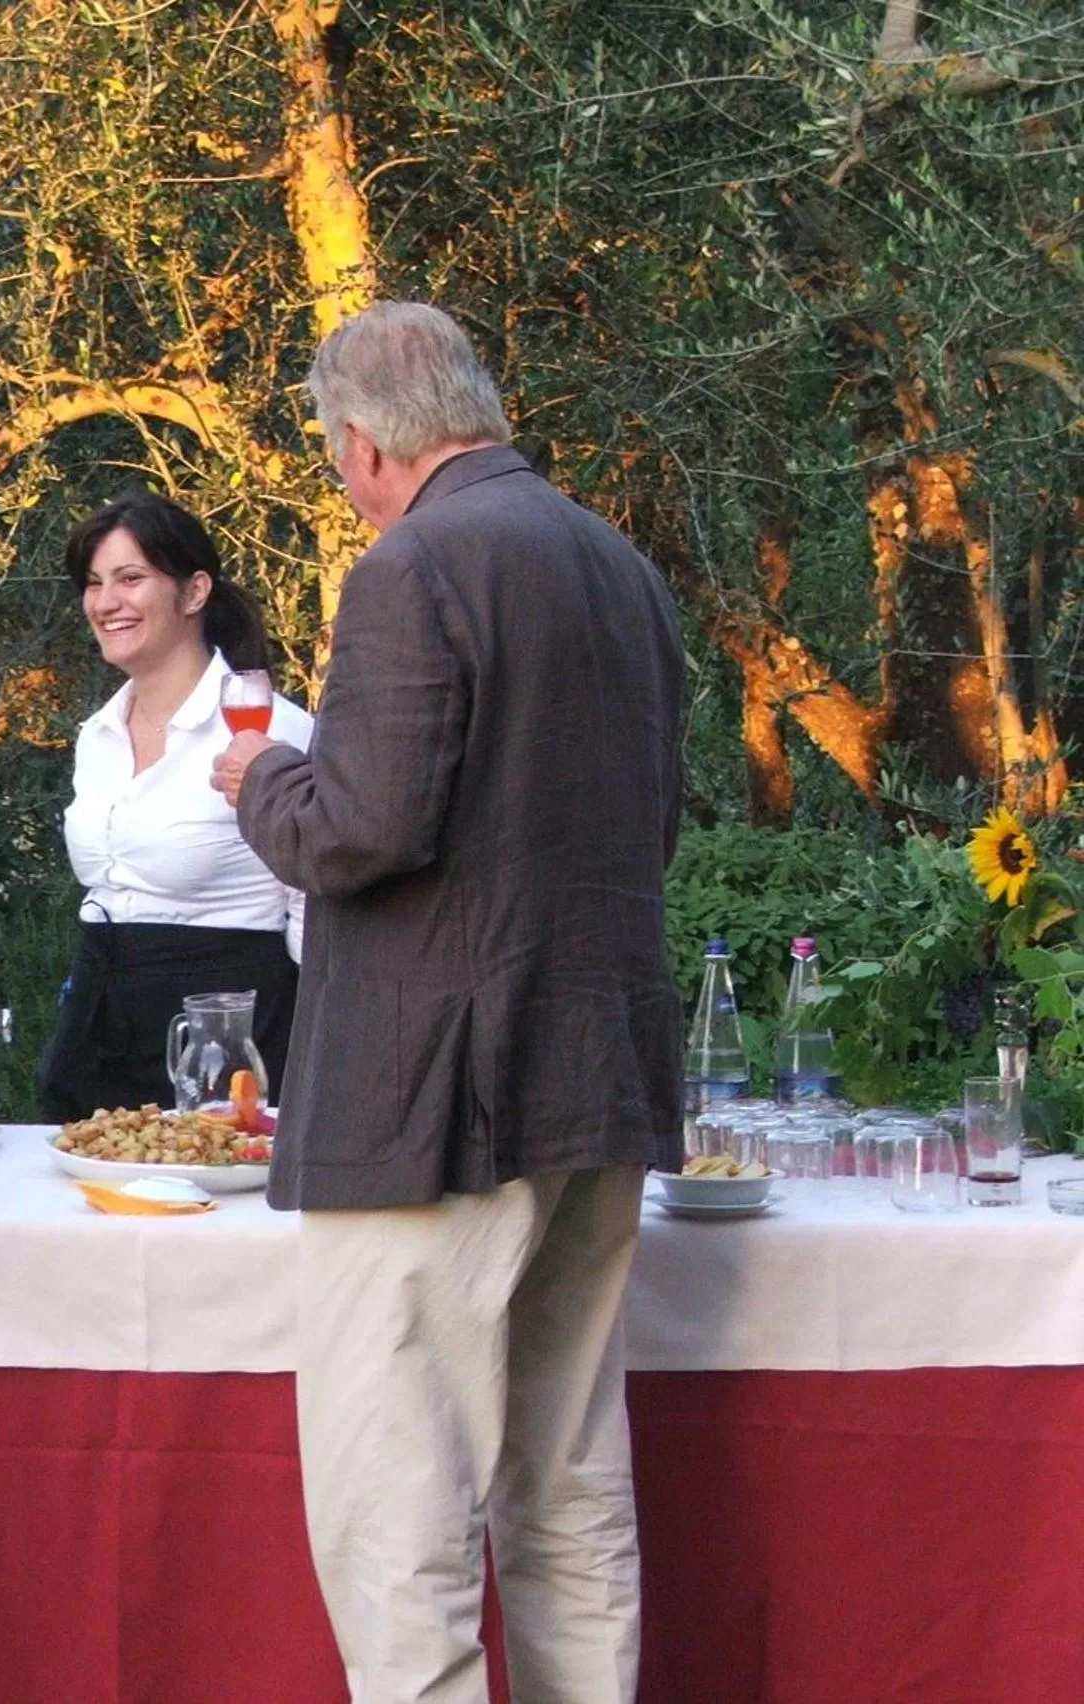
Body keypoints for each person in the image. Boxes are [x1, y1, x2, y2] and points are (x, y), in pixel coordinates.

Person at [212, 302, 685, 1703]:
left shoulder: (415, 567)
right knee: (567, 1486)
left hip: (435, 1103)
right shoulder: (620, 566)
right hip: (598, 1074)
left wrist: (258, 784)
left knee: (398, 1507)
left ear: (360, 445)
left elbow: (361, 827)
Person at [38, 490, 312, 1120]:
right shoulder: (95, 737)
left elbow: (315, 908)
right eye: (93, 582)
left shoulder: (273, 732)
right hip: (96, 1037)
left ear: (194, 593)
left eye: (130, 579)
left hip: (226, 1043)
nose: (105, 602)